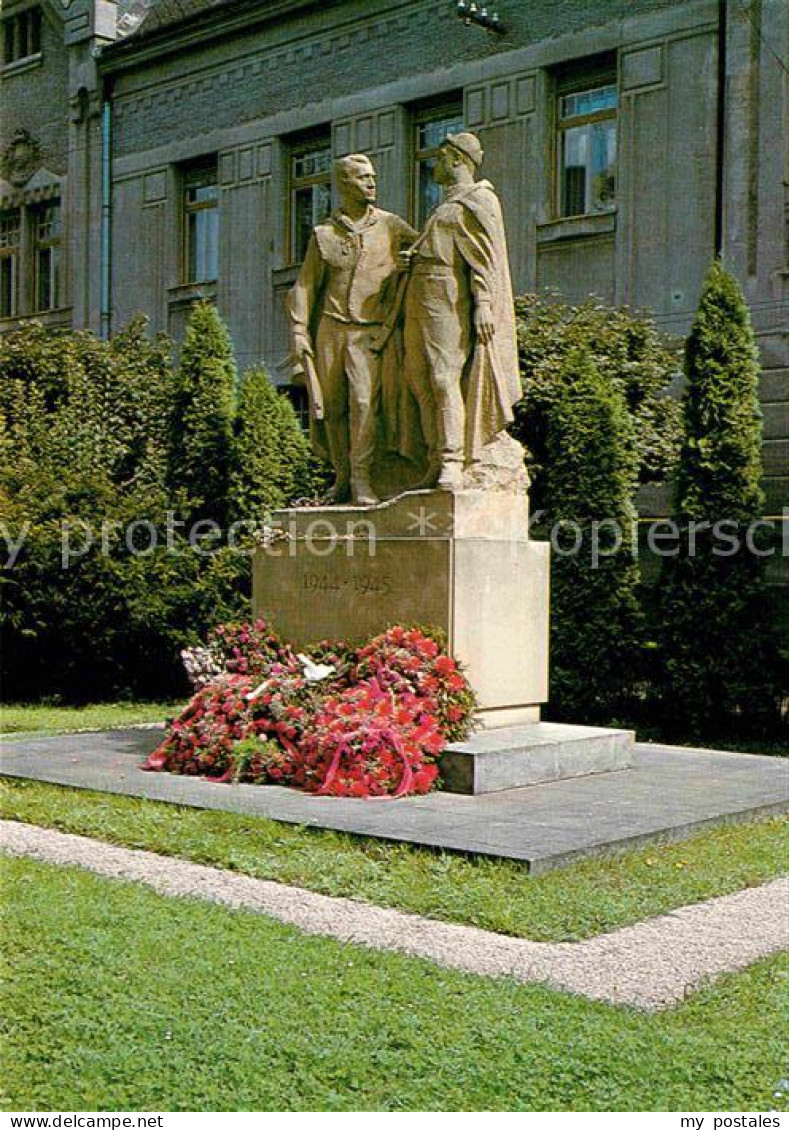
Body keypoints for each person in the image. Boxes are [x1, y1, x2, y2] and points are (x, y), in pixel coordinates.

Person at [288, 154, 417, 505]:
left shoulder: (392, 226)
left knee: (363, 402)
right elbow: (305, 286)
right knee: (331, 406)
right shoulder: (324, 234)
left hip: (370, 332)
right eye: (362, 178)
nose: (372, 183)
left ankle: (362, 478)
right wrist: (300, 331)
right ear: (344, 184)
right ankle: (342, 478)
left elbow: (425, 251)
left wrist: (408, 264)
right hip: (330, 329)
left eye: (373, 177)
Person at [400, 132, 521, 490]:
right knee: (416, 378)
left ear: (456, 159)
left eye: (439, 159)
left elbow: (485, 259)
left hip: (449, 298)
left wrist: (484, 302)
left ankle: (453, 460)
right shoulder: (445, 206)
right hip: (419, 295)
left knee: (442, 376)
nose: (434, 166)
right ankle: (435, 456)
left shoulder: (477, 200)